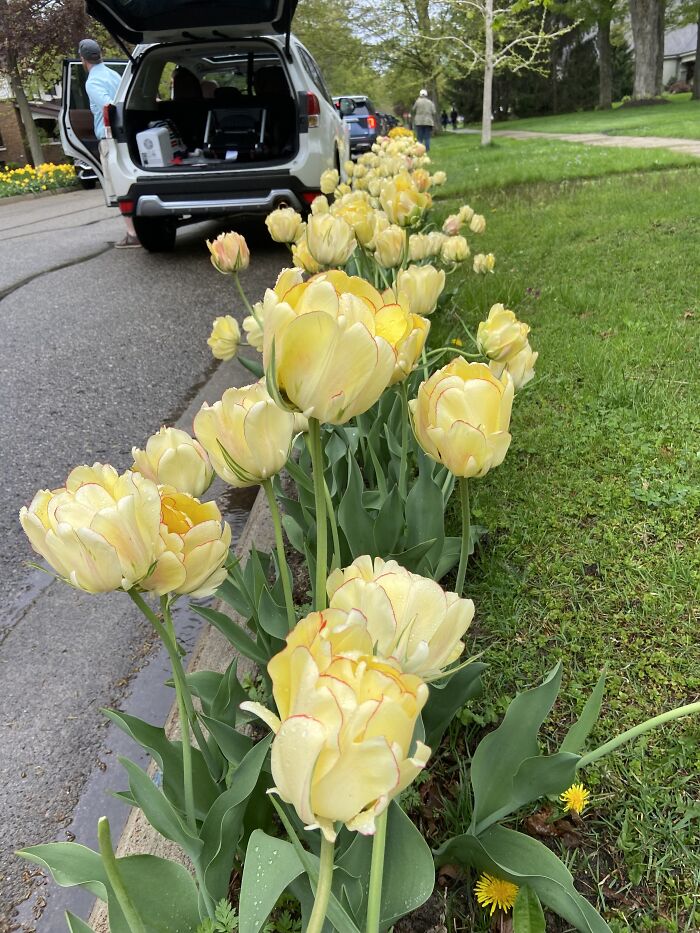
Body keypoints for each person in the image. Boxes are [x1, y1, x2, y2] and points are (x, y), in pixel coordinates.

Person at [79, 38, 141, 249]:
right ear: (100, 54)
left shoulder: (92, 82)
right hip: (127, 134)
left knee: (118, 185)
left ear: (82, 59)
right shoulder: (114, 74)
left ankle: (132, 233)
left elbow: (108, 105)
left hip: (110, 138)